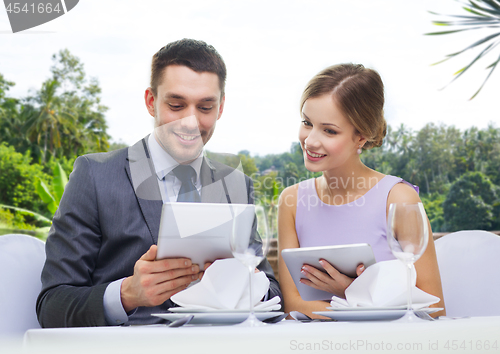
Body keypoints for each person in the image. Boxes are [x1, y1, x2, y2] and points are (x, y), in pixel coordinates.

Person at [37, 39, 281, 327]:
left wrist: (249, 283)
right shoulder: (95, 175)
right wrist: (127, 294)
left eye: (205, 107)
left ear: (221, 107)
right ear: (151, 102)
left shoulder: (237, 185)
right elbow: (51, 306)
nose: (191, 122)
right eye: (176, 105)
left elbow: (273, 296)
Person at [278, 63, 445, 319]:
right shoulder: (292, 201)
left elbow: (434, 310)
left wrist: (351, 292)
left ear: (362, 137)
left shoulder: (398, 198)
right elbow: (293, 306)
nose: (310, 140)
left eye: (329, 130)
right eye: (306, 123)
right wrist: (361, 303)